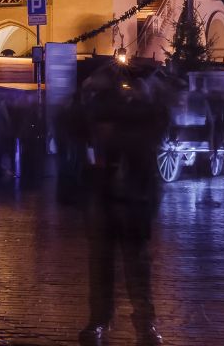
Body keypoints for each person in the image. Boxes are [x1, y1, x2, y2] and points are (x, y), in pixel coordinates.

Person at [78, 72, 167, 346]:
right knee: (103, 265)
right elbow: (74, 124)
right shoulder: (102, 112)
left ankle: (143, 324)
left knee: (135, 267)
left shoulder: (141, 117)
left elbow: (151, 130)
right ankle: (101, 321)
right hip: (107, 199)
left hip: (132, 200)